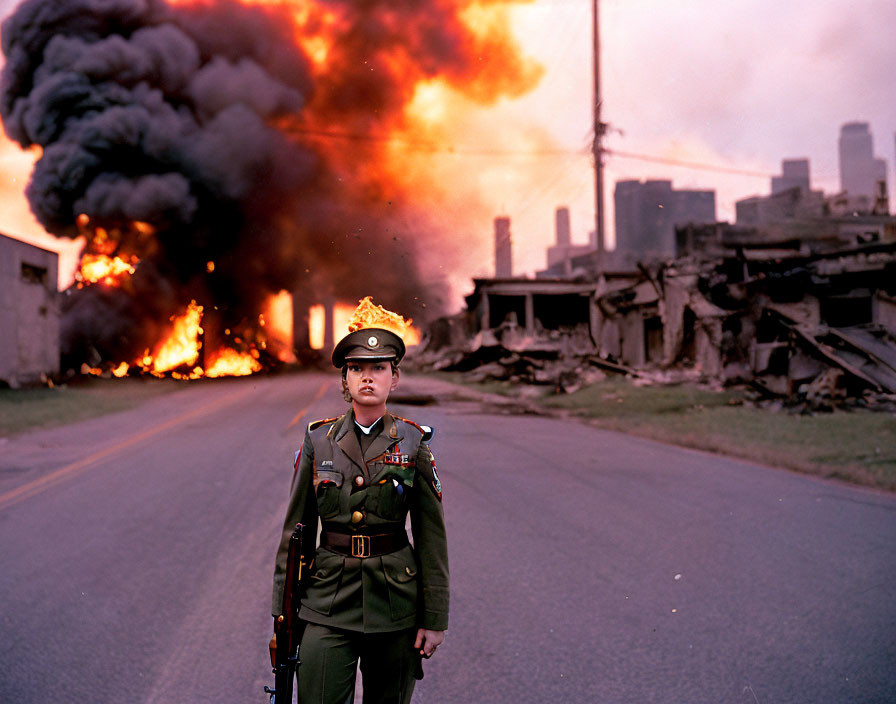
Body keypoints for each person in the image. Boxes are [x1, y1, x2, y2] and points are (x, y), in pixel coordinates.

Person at [271, 327, 449, 704]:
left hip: (395, 604)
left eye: (379, 368)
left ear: (394, 378)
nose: (368, 377)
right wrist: (282, 614)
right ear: (345, 379)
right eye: (357, 368)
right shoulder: (319, 441)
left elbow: (431, 538)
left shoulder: (413, 442)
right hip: (327, 602)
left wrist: (435, 619)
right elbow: (295, 531)